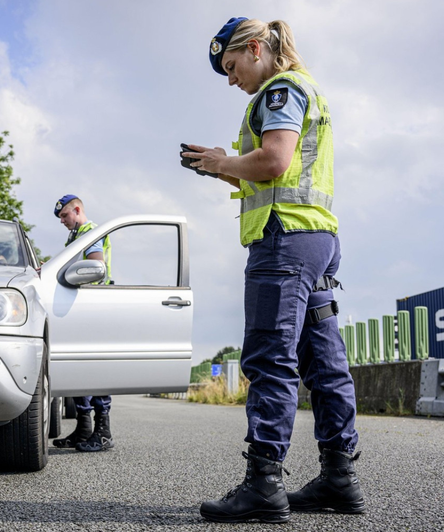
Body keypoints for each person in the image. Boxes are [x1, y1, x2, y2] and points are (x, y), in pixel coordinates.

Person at [182, 17, 364, 523]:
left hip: (283, 245)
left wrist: (223, 163)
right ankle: (339, 477)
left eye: (232, 65)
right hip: (319, 241)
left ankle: (263, 484)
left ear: (257, 48)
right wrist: (223, 167)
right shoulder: (307, 89)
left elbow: (276, 161)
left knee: (269, 359)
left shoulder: (279, 92)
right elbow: (278, 173)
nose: (231, 78)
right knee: (324, 363)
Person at [50, 194, 115, 453]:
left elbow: (96, 266)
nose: (62, 221)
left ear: (77, 210)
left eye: (64, 215)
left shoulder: (90, 232)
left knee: (95, 367)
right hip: (82, 307)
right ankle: (84, 428)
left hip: (95, 306)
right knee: (80, 366)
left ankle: (103, 431)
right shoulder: (76, 236)